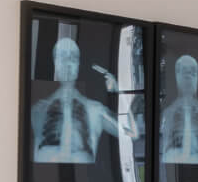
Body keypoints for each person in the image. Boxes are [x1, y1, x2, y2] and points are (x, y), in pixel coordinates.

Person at [29, 32, 126, 162]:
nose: (68, 62)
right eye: (62, 57)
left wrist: (119, 91)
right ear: (55, 63)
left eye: (73, 58)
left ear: (78, 64)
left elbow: (131, 134)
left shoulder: (95, 110)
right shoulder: (37, 110)